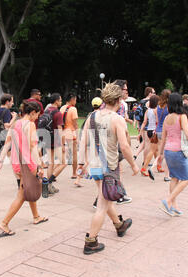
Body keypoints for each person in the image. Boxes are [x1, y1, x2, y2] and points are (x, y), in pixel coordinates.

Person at [78, 82, 139, 255]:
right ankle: (91, 241)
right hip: (109, 167)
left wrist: (81, 164)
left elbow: (83, 141)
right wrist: (134, 165)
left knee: (104, 195)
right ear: (119, 100)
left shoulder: (91, 116)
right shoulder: (117, 119)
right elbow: (125, 147)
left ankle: (119, 225)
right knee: (102, 206)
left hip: (95, 166)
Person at [0, 100, 49, 237]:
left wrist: (0, 161)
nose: (37, 118)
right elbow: (33, 147)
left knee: (27, 188)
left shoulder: (16, 124)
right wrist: (39, 165)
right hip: (28, 164)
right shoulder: (29, 125)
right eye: (37, 115)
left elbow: (7, 144)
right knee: (23, 194)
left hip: (17, 164)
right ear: (32, 113)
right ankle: (4, 223)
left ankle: (36, 216)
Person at [158, 93, 188, 216]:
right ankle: (168, 201)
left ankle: (174, 206)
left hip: (168, 151)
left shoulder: (167, 118)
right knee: (187, 178)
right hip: (178, 151)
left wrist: (160, 155)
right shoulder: (182, 116)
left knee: (174, 177)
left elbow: (163, 138)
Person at [43, 93, 67, 194]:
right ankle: (48, 183)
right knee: (63, 163)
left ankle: (49, 186)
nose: (61, 102)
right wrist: (63, 144)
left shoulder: (46, 111)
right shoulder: (58, 113)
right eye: (60, 100)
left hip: (47, 139)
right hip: (56, 140)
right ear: (56, 101)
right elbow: (59, 130)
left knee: (51, 163)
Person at [139, 94, 159, 177]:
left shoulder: (147, 111)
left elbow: (144, 122)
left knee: (156, 149)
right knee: (153, 150)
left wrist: (140, 132)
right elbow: (158, 122)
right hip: (155, 131)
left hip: (149, 131)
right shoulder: (156, 110)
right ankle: (144, 168)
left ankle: (158, 165)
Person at [60, 93, 79, 178]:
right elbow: (75, 124)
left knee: (62, 154)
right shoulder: (73, 109)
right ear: (72, 100)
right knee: (74, 154)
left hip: (62, 133)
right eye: (75, 100)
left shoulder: (62, 108)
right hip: (71, 133)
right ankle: (74, 173)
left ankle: (54, 173)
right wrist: (77, 134)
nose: (75, 102)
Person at [155, 89, 171, 181]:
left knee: (161, 151)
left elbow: (157, 120)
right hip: (166, 131)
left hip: (158, 130)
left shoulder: (158, 106)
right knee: (166, 153)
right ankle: (167, 174)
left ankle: (157, 165)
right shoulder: (168, 107)